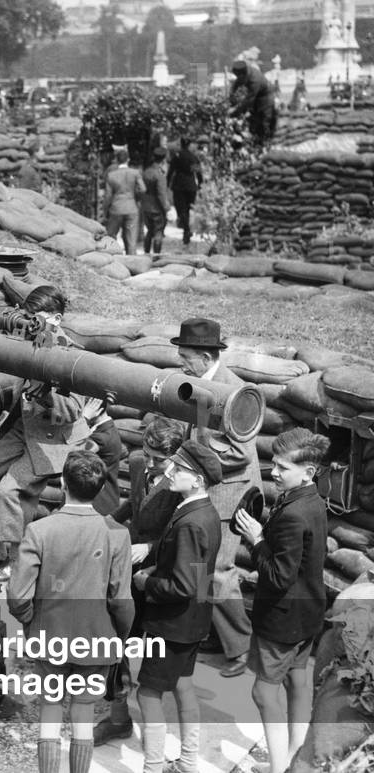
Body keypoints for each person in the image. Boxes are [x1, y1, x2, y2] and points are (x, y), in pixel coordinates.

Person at [8, 451, 134, 773]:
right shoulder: (117, 533)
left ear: (63, 484)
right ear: (100, 488)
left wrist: (30, 621)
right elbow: (121, 600)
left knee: (50, 710)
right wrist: (120, 636)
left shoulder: (40, 530)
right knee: (83, 714)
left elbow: (17, 595)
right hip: (98, 638)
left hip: (49, 636)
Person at [0, 285, 89, 583]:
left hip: (55, 437)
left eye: (37, 318)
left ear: (56, 318)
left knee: (10, 491)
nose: (30, 324)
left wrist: (44, 396)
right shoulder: (24, 344)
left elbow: (72, 412)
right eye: (27, 317)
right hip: (25, 428)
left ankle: (16, 563)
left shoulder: (73, 356)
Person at [234, 428, 330, 773]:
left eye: (282, 467)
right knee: (297, 682)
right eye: (273, 464)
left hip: (282, 620)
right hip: (308, 613)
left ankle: (278, 768)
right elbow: (300, 561)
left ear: (308, 471)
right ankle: (293, 755)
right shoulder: (312, 500)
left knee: (263, 693)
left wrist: (256, 541)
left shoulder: (292, 513)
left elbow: (277, 577)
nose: (273, 472)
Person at [172, 317, 262, 678]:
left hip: (228, 494)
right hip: (207, 487)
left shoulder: (235, 392)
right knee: (199, 568)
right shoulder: (195, 385)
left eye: (187, 356)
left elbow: (239, 453)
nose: (181, 362)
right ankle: (215, 635)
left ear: (207, 356)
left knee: (221, 572)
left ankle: (241, 649)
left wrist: (193, 458)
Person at [133, 438, 223, 773]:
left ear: (197, 479)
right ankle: (187, 762)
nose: (169, 471)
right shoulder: (204, 513)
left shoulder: (190, 522)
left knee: (148, 694)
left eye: (178, 468)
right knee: (184, 687)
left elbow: (183, 586)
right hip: (192, 623)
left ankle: (153, 767)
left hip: (171, 625)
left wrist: (148, 582)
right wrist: (162, 564)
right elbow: (197, 575)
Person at [94, 416, 185, 745]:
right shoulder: (136, 462)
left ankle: (156, 723)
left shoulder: (181, 483)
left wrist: (150, 546)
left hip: (159, 572)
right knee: (115, 640)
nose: (149, 464)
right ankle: (119, 716)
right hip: (127, 568)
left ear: (175, 457)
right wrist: (103, 522)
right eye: (146, 454)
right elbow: (132, 505)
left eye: (158, 460)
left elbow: (184, 531)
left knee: (154, 653)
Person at [82, 396, 123, 517]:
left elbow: (75, 453)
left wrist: (83, 418)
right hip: (102, 501)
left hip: (98, 503)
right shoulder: (106, 430)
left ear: (97, 410)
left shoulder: (101, 437)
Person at [102, 148, 146, 255]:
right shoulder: (135, 173)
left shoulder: (111, 175)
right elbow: (143, 189)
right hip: (131, 208)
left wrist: (106, 210)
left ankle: (114, 261)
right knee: (131, 239)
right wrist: (137, 199)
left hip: (116, 208)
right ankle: (132, 263)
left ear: (116, 160)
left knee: (111, 237)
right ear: (128, 159)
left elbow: (108, 196)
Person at [230, 59, 278, 146]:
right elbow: (236, 83)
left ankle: (265, 143)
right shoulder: (244, 72)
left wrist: (235, 112)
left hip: (266, 97)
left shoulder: (254, 80)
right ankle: (255, 139)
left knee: (264, 121)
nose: (238, 77)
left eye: (238, 76)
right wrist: (231, 96)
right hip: (257, 97)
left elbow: (249, 100)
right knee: (253, 120)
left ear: (242, 74)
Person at [167, 138, 203, 247]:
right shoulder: (193, 157)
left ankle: (186, 229)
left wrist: (168, 183)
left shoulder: (177, 157)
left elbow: (171, 172)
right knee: (187, 208)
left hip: (179, 185)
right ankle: (186, 229)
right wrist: (200, 184)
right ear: (189, 145)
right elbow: (198, 173)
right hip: (191, 186)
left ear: (181, 144)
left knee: (181, 208)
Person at [141, 147, 171, 255]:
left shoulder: (146, 172)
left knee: (149, 230)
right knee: (158, 231)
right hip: (157, 207)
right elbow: (161, 194)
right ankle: (156, 255)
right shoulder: (159, 175)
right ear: (163, 160)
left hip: (145, 206)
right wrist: (167, 208)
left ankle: (146, 253)